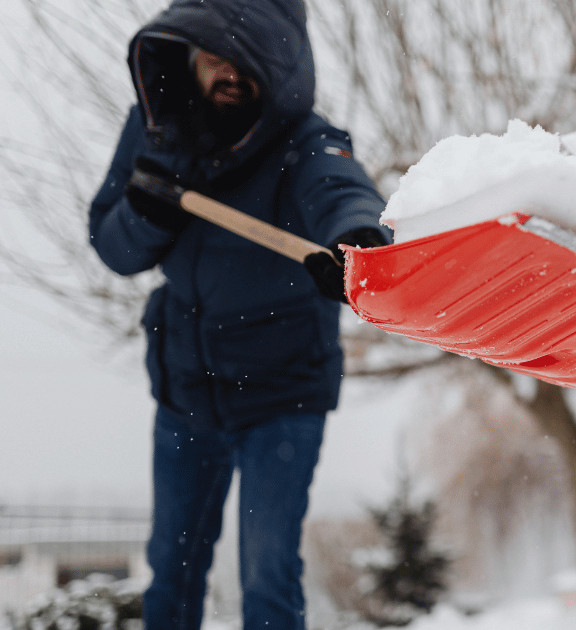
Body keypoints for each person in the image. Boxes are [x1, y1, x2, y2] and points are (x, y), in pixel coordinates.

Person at [87, 1, 390, 627]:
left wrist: (356, 242)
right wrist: (149, 210)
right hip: (185, 392)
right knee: (171, 576)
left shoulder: (304, 139)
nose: (226, 71)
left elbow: (342, 190)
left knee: (267, 577)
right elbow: (113, 248)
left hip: (281, 398)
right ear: (189, 55)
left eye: (242, 56)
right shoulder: (153, 129)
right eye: (212, 54)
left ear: (274, 60)